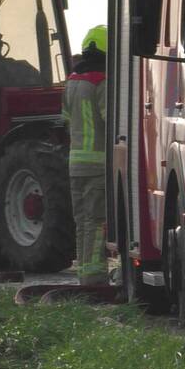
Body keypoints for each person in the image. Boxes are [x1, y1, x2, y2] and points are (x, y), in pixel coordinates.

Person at [63, 24, 109, 285]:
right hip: (97, 164)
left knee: (81, 222)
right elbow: (110, 119)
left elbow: (67, 119)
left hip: (75, 165)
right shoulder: (100, 81)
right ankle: (94, 276)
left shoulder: (72, 81)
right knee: (96, 222)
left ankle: (83, 273)